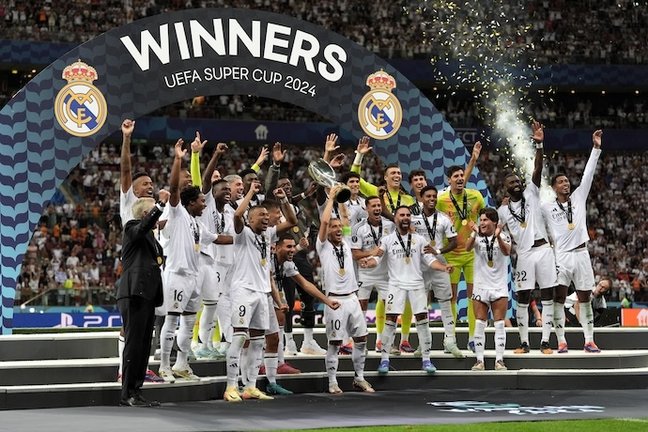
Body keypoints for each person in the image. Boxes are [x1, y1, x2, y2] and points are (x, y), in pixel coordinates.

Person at [158, 139, 231, 383]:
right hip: (176, 275)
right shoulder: (177, 213)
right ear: (190, 202)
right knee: (171, 321)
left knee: (188, 324)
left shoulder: (197, 224)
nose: (204, 203)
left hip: (193, 277)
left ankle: (182, 364)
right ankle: (164, 366)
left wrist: (248, 237)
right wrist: (179, 158)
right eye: (201, 201)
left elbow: (219, 238)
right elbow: (175, 190)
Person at [223, 180, 297, 402]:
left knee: (257, 342)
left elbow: (292, 221)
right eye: (262, 215)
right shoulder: (242, 233)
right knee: (239, 339)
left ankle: (251, 386)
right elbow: (237, 216)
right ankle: (230, 386)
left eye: (268, 215)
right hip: (243, 290)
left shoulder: (268, 235)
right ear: (251, 218)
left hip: (262, 293)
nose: (267, 218)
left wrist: (284, 200)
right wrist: (250, 193)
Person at [361, 206, 452, 375]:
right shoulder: (387, 240)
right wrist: (369, 263)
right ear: (395, 218)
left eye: (408, 215)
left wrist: (443, 267)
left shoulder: (420, 240)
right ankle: (385, 360)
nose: (405, 217)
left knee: (423, 321)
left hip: (417, 284)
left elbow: (430, 260)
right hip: (396, 285)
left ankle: (426, 359)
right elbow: (377, 257)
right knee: (390, 321)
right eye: (401, 215)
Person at [498, 121, 558, 355]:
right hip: (523, 255)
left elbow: (537, 168)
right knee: (523, 296)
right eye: (510, 182)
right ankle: (524, 343)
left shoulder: (531, 192)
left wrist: (540, 144)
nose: (516, 183)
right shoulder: (503, 210)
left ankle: (545, 342)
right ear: (505, 188)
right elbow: (496, 230)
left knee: (547, 294)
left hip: (543, 250)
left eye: (517, 181)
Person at [351, 136, 416, 353]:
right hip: (375, 252)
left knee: (395, 301)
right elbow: (355, 180)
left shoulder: (409, 201)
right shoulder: (375, 193)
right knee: (380, 299)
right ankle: (377, 340)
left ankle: (395, 339)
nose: (397, 176)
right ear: (385, 177)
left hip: (397, 254)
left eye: (399, 173)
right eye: (393, 173)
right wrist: (359, 155)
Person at [541, 130, 604, 353]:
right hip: (562, 256)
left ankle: (589, 340)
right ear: (553, 188)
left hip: (581, 253)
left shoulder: (578, 197)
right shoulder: (547, 207)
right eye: (561, 182)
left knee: (585, 296)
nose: (566, 184)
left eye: (567, 181)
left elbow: (588, 175)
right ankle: (561, 341)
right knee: (559, 297)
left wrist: (596, 148)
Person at [266, 235, 341, 395]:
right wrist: (279, 302)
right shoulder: (267, 259)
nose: (293, 250)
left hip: (269, 297)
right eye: (289, 247)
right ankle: (245, 380)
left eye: (294, 246)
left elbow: (305, 284)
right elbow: (269, 282)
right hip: (254, 295)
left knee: (275, 335)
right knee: (253, 339)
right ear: (276, 247)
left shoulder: (287, 264)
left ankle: (274, 374)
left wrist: (326, 301)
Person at [117, 118, 163, 383]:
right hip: (133, 262)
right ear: (133, 190)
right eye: (146, 185)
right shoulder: (130, 203)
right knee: (132, 329)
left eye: (151, 185)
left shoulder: (153, 209)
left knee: (144, 331)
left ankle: (136, 373)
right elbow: (125, 169)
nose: (150, 187)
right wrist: (126, 138)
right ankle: (126, 372)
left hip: (148, 270)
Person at [317, 185, 374, 394]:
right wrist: (331, 198)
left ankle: (359, 378)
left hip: (353, 298)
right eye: (334, 227)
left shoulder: (347, 242)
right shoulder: (322, 246)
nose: (338, 229)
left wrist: (341, 197)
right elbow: (324, 221)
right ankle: (332, 381)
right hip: (335, 300)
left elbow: (345, 217)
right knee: (334, 342)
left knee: (361, 340)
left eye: (339, 227)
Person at [117, 192, 168, 407]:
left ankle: (136, 391)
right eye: (154, 213)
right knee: (134, 343)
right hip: (134, 292)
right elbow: (141, 229)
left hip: (147, 294)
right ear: (147, 213)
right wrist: (160, 205)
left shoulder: (152, 240)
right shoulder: (131, 228)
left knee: (144, 345)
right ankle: (127, 392)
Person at [436, 143, 486, 352]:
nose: (458, 178)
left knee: (474, 296)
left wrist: (480, 228)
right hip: (452, 256)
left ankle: (474, 339)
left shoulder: (476, 196)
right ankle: (451, 339)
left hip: (472, 254)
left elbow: (486, 219)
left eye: (460, 175)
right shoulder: (440, 199)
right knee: (452, 298)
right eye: (454, 176)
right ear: (449, 180)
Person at [411, 185, 462, 358]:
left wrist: (438, 252)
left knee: (446, 302)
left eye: (434, 196)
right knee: (421, 305)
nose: (432, 199)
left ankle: (450, 341)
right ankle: (423, 343)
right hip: (419, 265)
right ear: (422, 198)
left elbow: (455, 242)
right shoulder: (413, 218)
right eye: (428, 196)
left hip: (439, 262)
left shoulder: (444, 218)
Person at [465, 208, 512, 371]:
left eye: (485, 220)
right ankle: (479, 360)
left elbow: (507, 252)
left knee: (499, 324)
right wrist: (473, 233)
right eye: (481, 220)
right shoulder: (477, 237)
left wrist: (498, 235)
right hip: (481, 285)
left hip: (499, 286)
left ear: (494, 222)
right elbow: (466, 248)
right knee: (479, 323)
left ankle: (499, 360)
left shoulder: (504, 236)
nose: (482, 223)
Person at [350, 196, 394, 353]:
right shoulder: (358, 228)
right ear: (366, 208)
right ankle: (361, 343)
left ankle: (383, 342)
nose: (377, 208)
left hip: (385, 274)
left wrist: (376, 257)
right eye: (373, 206)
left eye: (379, 205)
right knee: (361, 307)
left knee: (390, 308)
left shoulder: (390, 225)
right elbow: (355, 254)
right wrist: (371, 253)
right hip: (365, 274)